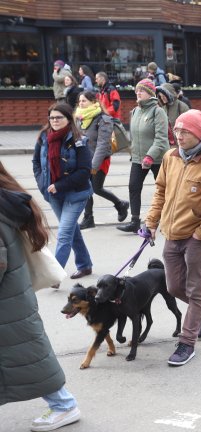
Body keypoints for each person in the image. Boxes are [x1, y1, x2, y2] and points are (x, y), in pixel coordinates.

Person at [145, 110, 201, 366]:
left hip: (197, 238)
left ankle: (186, 343)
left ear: (198, 133)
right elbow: (160, 191)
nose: (179, 136)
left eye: (185, 132)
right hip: (171, 235)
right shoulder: (170, 157)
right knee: (173, 287)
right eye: (177, 131)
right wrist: (151, 223)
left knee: (195, 291)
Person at [0, 162, 82, 431]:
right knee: (26, 353)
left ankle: (64, 405)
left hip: (7, 304)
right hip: (11, 299)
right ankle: (63, 404)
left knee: (29, 354)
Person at [32, 103, 94, 279]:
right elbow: (36, 162)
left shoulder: (79, 139)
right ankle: (85, 265)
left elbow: (84, 171)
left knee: (64, 233)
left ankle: (55, 275)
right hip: (53, 195)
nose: (54, 121)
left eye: (59, 117)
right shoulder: (44, 137)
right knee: (71, 230)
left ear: (68, 118)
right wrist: (42, 184)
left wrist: (60, 185)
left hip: (76, 194)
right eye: (51, 117)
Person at [116, 79, 170, 233]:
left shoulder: (158, 111)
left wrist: (150, 156)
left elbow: (161, 138)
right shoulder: (135, 111)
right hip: (138, 158)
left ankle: (168, 218)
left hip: (157, 158)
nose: (138, 93)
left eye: (142, 91)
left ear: (150, 94)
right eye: (137, 90)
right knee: (134, 187)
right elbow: (134, 137)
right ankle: (134, 221)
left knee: (164, 190)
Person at [75, 91, 129, 230]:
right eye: (80, 101)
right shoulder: (79, 117)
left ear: (94, 102)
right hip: (84, 159)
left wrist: (93, 166)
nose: (81, 103)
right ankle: (88, 218)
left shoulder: (103, 119)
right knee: (85, 187)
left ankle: (120, 204)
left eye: (84, 101)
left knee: (96, 188)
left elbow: (103, 145)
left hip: (100, 160)